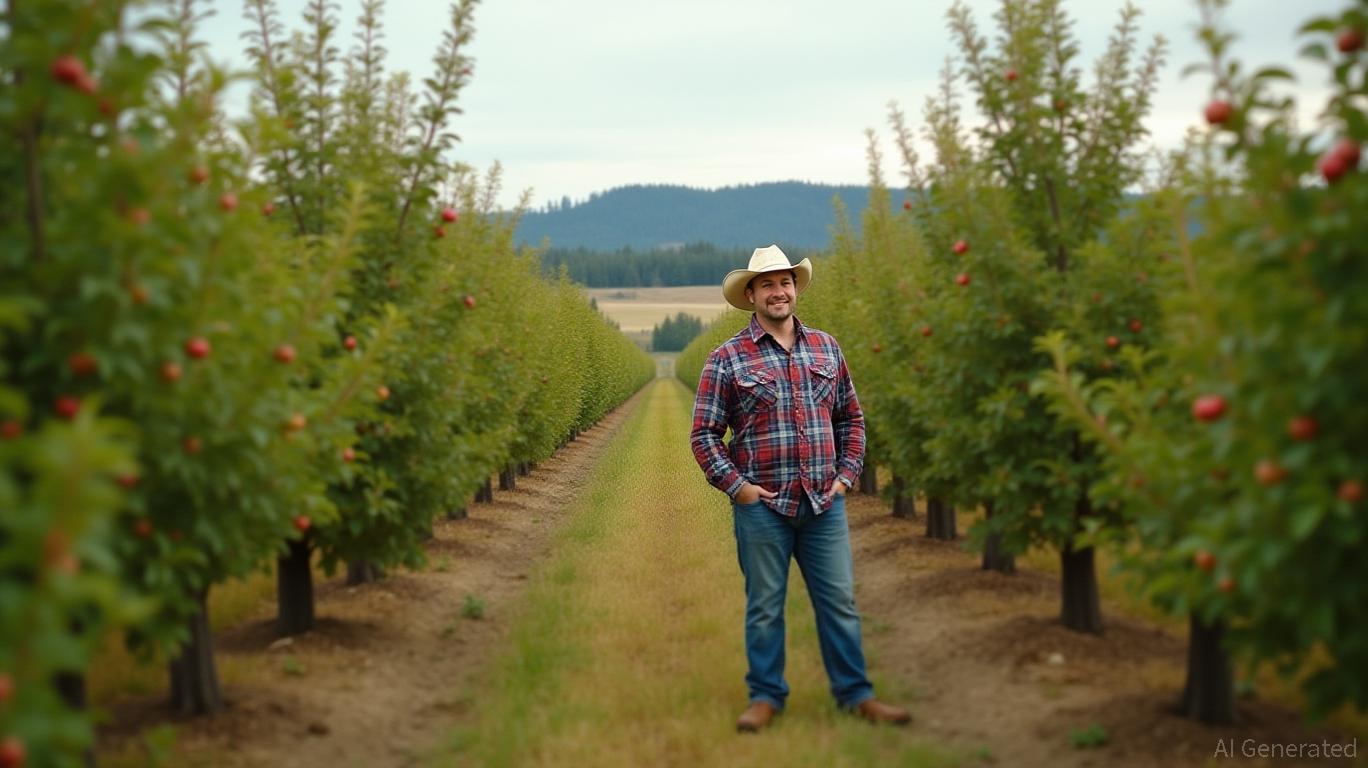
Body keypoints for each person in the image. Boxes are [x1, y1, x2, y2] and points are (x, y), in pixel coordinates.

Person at [689, 244, 911, 733]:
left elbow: (851, 417)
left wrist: (846, 476)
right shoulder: (726, 358)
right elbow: (705, 434)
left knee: (840, 603)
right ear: (751, 295)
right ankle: (766, 697)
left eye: (785, 282)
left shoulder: (826, 348)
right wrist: (738, 488)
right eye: (767, 284)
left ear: (795, 289)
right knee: (765, 607)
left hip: (822, 503)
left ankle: (856, 694)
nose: (778, 291)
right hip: (762, 507)